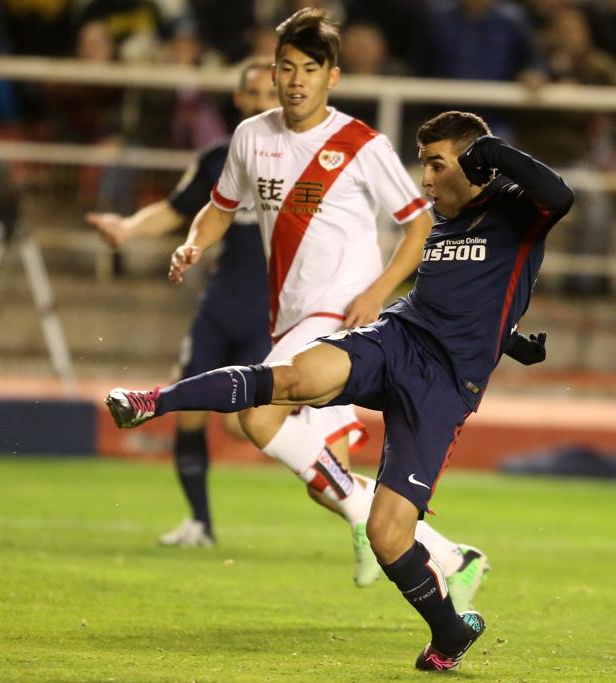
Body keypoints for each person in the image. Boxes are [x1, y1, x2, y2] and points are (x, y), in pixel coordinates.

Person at [105, 109, 574, 670]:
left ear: (473, 162)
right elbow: (464, 295)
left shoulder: (515, 210)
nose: (425, 179)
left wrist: (492, 154)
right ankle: (152, 401)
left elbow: (561, 196)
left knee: (386, 533)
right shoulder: (443, 215)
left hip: (443, 386)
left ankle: (448, 632)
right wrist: (510, 338)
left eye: (435, 165)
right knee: (295, 378)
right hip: (398, 337)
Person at [106, 6, 489, 609]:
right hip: (290, 313)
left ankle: (153, 400)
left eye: (309, 68)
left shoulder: (361, 144)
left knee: (257, 417)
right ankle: (448, 554)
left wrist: (377, 292)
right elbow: (220, 206)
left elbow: (418, 227)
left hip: (343, 312)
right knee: (321, 481)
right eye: (287, 66)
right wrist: (191, 244)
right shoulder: (251, 137)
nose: (295, 79)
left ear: (332, 76)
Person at [88, 59, 277, 547]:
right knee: (188, 412)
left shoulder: (302, 159)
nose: (259, 103)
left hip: (270, 312)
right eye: (251, 94)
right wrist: (128, 227)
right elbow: (176, 211)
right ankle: (201, 524)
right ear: (238, 100)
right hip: (219, 306)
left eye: (268, 94)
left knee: (243, 428)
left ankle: (335, 470)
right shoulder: (220, 159)